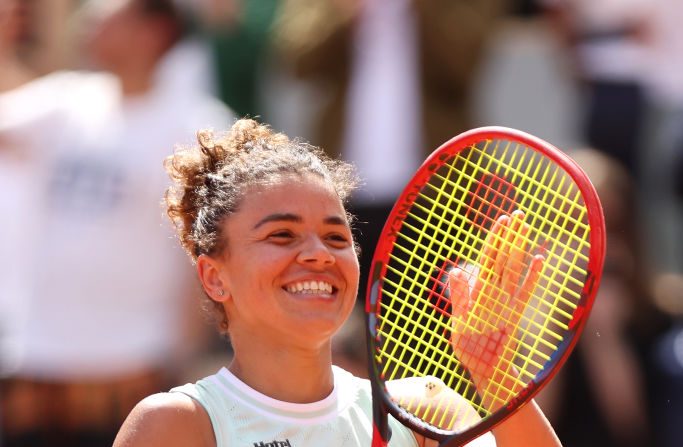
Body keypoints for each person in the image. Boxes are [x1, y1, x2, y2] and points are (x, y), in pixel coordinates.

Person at [113, 118, 562, 447]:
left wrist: (494, 372)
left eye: (335, 236)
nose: (318, 254)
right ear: (214, 276)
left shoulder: (424, 413)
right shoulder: (178, 425)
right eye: (281, 235)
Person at [0, 0, 233, 445]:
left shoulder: (198, 126)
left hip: (134, 370)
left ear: (154, 32)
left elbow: (208, 248)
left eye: (107, 15)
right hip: (37, 362)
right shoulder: (65, 100)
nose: (87, 23)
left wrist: (182, 352)